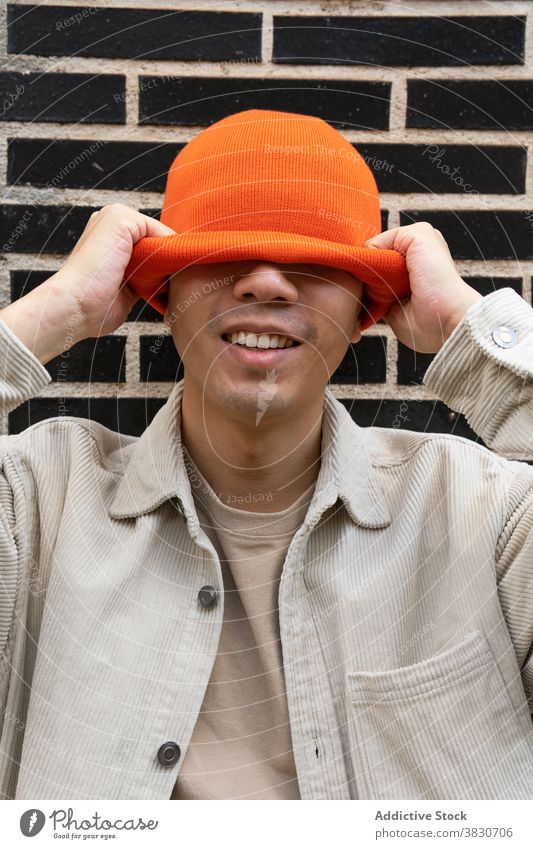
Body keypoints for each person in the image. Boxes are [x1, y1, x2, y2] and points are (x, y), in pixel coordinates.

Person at [0, 109, 532, 801]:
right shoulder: (36, 500)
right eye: (223, 259)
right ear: (164, 294)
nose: (266, 285)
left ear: (364, 308)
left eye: (314, 265)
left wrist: (470, 332)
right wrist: (59, 309)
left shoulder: (486, 514)